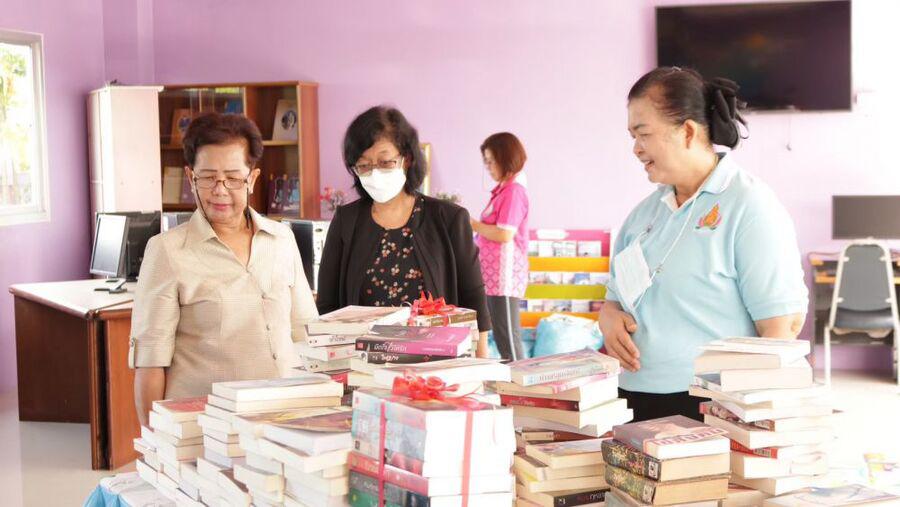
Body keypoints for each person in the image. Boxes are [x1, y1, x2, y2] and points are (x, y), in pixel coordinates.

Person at [599, 67, 808, 422]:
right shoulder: (644, 214)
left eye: (644, 134)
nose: (636, 148)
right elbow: (614, 300)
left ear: (688, 132)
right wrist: (608, 318)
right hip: (633, 397)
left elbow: (781, 327)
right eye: (632, 136)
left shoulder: (749, 205)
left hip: (710, 406)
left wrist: (749, 422)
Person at [130, 113, 318, 426]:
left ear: (252, 179)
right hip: (206, 426)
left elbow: (305, 332)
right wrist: (156, 443)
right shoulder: (167, 251)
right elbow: (150, 363)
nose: (220, 190)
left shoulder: (282, 239)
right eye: (207, 178)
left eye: (233, 178)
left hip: (285, 418)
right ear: (191, 177)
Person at [316, 106, 492, 355]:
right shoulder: (346, 221)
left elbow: (473, 298)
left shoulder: (449, 219)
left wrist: (481, 362)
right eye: (364, 165)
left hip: (437, 364)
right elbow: (327, 304)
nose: (374, 173)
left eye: (385, 162)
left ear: (407, 159)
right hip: (363, 364)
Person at [470, 132, 530, 360]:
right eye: (485, 162)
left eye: (490, 161)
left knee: (508, 339)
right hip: (493, 277)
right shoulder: (503, 190)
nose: (487, 167)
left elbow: (505, 234)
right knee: (502, 335)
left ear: (505, 158)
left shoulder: (514, 191)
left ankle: (519, 380)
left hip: (504, 277)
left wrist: (473, 224)